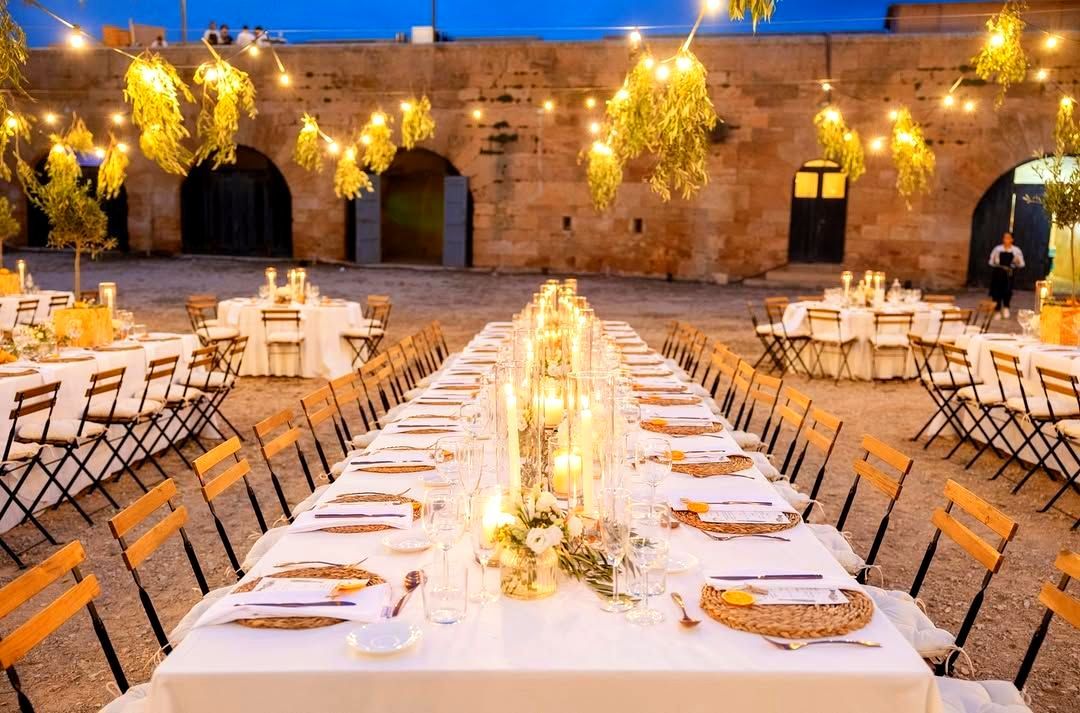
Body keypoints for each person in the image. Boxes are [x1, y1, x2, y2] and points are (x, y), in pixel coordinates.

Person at [989, 231, 1025, 319]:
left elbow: (1022, 264)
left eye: (1008, 238)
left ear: (1012, 239)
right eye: (1005, 237)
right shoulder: (997, 249)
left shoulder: (1016, 250)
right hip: (998, 273)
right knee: (996, 292)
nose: (1006, 240)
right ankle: (997, 311)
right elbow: (990, 262)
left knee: (1007, 291)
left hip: (1009, 274)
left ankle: (1006, 308)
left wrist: (1017, 262)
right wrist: (995, 261)